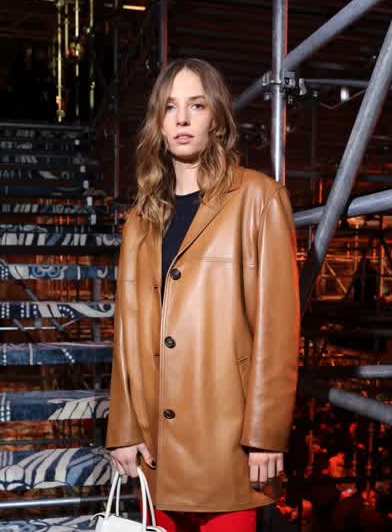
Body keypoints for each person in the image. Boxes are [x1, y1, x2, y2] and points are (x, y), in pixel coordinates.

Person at [105, 58, 300, 532]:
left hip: (227, 441)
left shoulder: (259, 199)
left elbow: (278, 329)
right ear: (158, 122)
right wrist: (123, 429)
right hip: (156, 444)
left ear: (217, 117)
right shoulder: (140, 219)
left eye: (196, 105)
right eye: (170, 107)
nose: (182, 119)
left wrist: (265, 434)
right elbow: (126, 332)